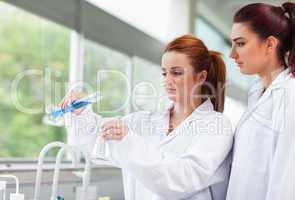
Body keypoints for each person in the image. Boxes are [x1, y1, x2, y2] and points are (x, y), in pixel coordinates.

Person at [61, 35, 233, 200]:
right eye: (164, 73)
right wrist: (81, 113)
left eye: (177, 73)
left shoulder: (217, 126)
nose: (167, 81)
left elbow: (180, 180)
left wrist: (128, 141)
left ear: (201, 77)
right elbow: (94, 141)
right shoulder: (142, 121)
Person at [227, 2, 295, 200]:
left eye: (240, 43)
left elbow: (287, 180)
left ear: (270, 44)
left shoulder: (290, 95)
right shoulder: (258, 92)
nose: (232, 54)